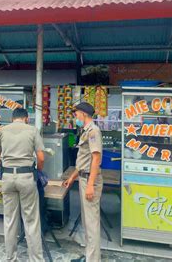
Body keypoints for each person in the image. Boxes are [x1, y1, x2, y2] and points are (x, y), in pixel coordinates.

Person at [0, 108, 45, 262]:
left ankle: (11, 258)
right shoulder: (33, 130)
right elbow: (41, 157)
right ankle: (36, 259)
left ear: (12, 119)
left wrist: (2, 169)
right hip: (26, 176)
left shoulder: (2, 130)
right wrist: (38, 171)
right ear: (26, 118)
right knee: (31, 220)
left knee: (9, 220)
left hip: (7, 177)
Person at [63, 102, 103, 262]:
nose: (75, 117)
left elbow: (96, 158)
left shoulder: (93, 131)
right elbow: (83, 161)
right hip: (83, 178)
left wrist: (91, 185)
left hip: (89, 180)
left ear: (84, 114)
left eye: (77, 113)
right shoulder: (86, 131)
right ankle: (89, 256)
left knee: (92, 223)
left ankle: (93, 260)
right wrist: (72, 178)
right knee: (88, 222)